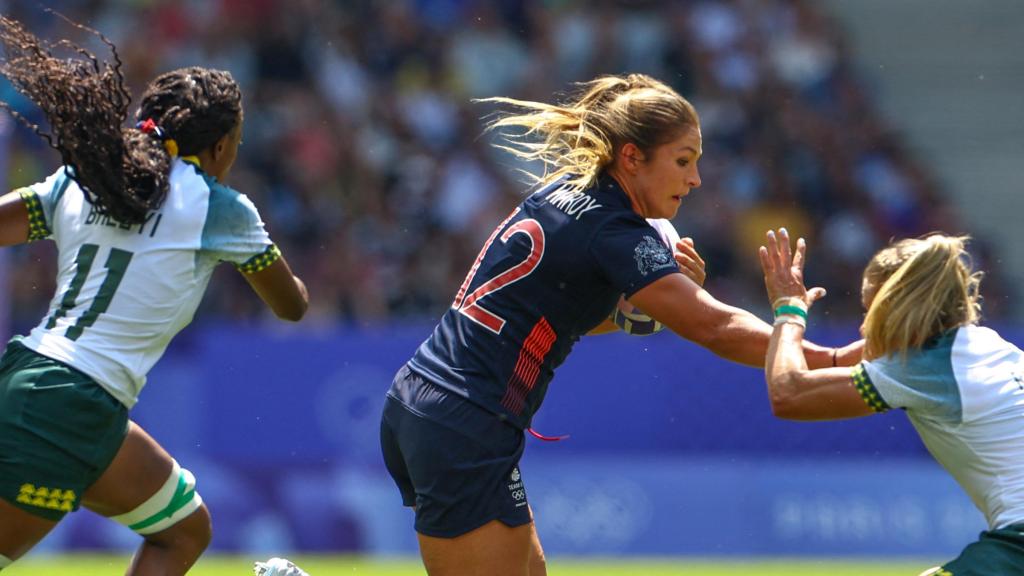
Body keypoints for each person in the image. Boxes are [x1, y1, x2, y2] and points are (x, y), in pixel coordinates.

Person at [370, 73, 860, 576]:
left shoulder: (566, 194)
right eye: (683, 161)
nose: (694, 180)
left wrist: (649, 306)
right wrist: (820, 347)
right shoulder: (615, 230)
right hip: (464, 422)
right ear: (631, 157)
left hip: (432, 403)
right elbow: (713, 327)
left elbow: (560, 314)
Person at [0, 15, 307, 575]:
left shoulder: (84, 177)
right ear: (219, 147)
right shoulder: (221, 209)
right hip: (75, 402)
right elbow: (292, 307)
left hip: (30, 374)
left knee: (184, 530)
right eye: (235, 145)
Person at [759, 229, 1024, 575]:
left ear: (897, 308)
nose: (864, 327)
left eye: (871, 310)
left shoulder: (921, 367)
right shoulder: (987, 344)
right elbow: (840, 360)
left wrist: (789, 312)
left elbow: (788, 393)